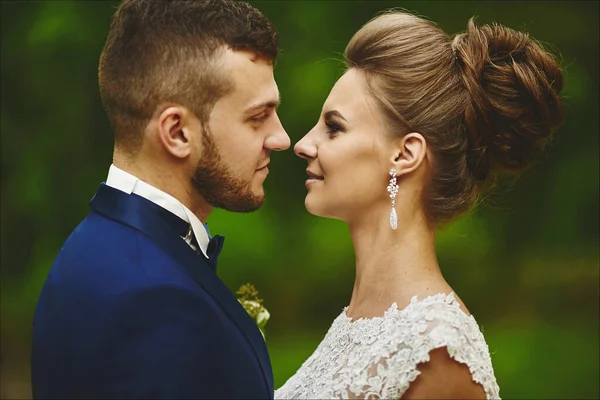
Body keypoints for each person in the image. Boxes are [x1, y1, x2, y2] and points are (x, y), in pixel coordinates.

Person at [276, 10, 563, 400]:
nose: (303, 144)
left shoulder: (436, 349)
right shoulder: (355, 320)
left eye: (334, 127)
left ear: (405, 154)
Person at [31, 0, 289, 398]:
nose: (281, 138)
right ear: (177, 133)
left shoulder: (88, 249)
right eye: (258, 117)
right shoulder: (155, 302)